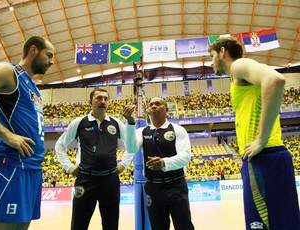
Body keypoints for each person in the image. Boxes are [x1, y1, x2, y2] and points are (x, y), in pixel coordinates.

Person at [209, 37, 300, 230]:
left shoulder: (238, 65)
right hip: (269, 158)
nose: (210, 62)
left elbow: (275, 79)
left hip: (264, 158)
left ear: (223, 51)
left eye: (212, 56)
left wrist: (261, 139)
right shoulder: (237, 79)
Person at [0, 36, 54, 229]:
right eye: (49, 55)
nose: (52, 61)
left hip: (32, 170)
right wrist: (6, 135)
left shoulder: (34, 89)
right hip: (10, 165)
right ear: (33, 50)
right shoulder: (8, 72)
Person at [55, 88, 133, 230]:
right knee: (79, 224)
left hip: (110, 180)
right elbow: (60, 145)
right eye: (98, 98)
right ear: (90, 101)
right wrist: (69, 166)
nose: (102, 101)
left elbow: (131, 145)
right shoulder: (79, 122)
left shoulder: (116, 123)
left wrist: (124, 165)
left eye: (105, 98)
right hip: (85, 179)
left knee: (111, 224)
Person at [122, 97, 195, 230]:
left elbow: (185, 157)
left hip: (176, 186)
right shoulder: (141, 132)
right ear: (148, 111)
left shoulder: (177, 130)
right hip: (153, 188)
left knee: (184, 226)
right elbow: (131, 148)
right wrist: (130, 123)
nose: (154, 106)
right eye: (151, 105)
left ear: (166, 109)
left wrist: (164, 163)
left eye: (158, 104)